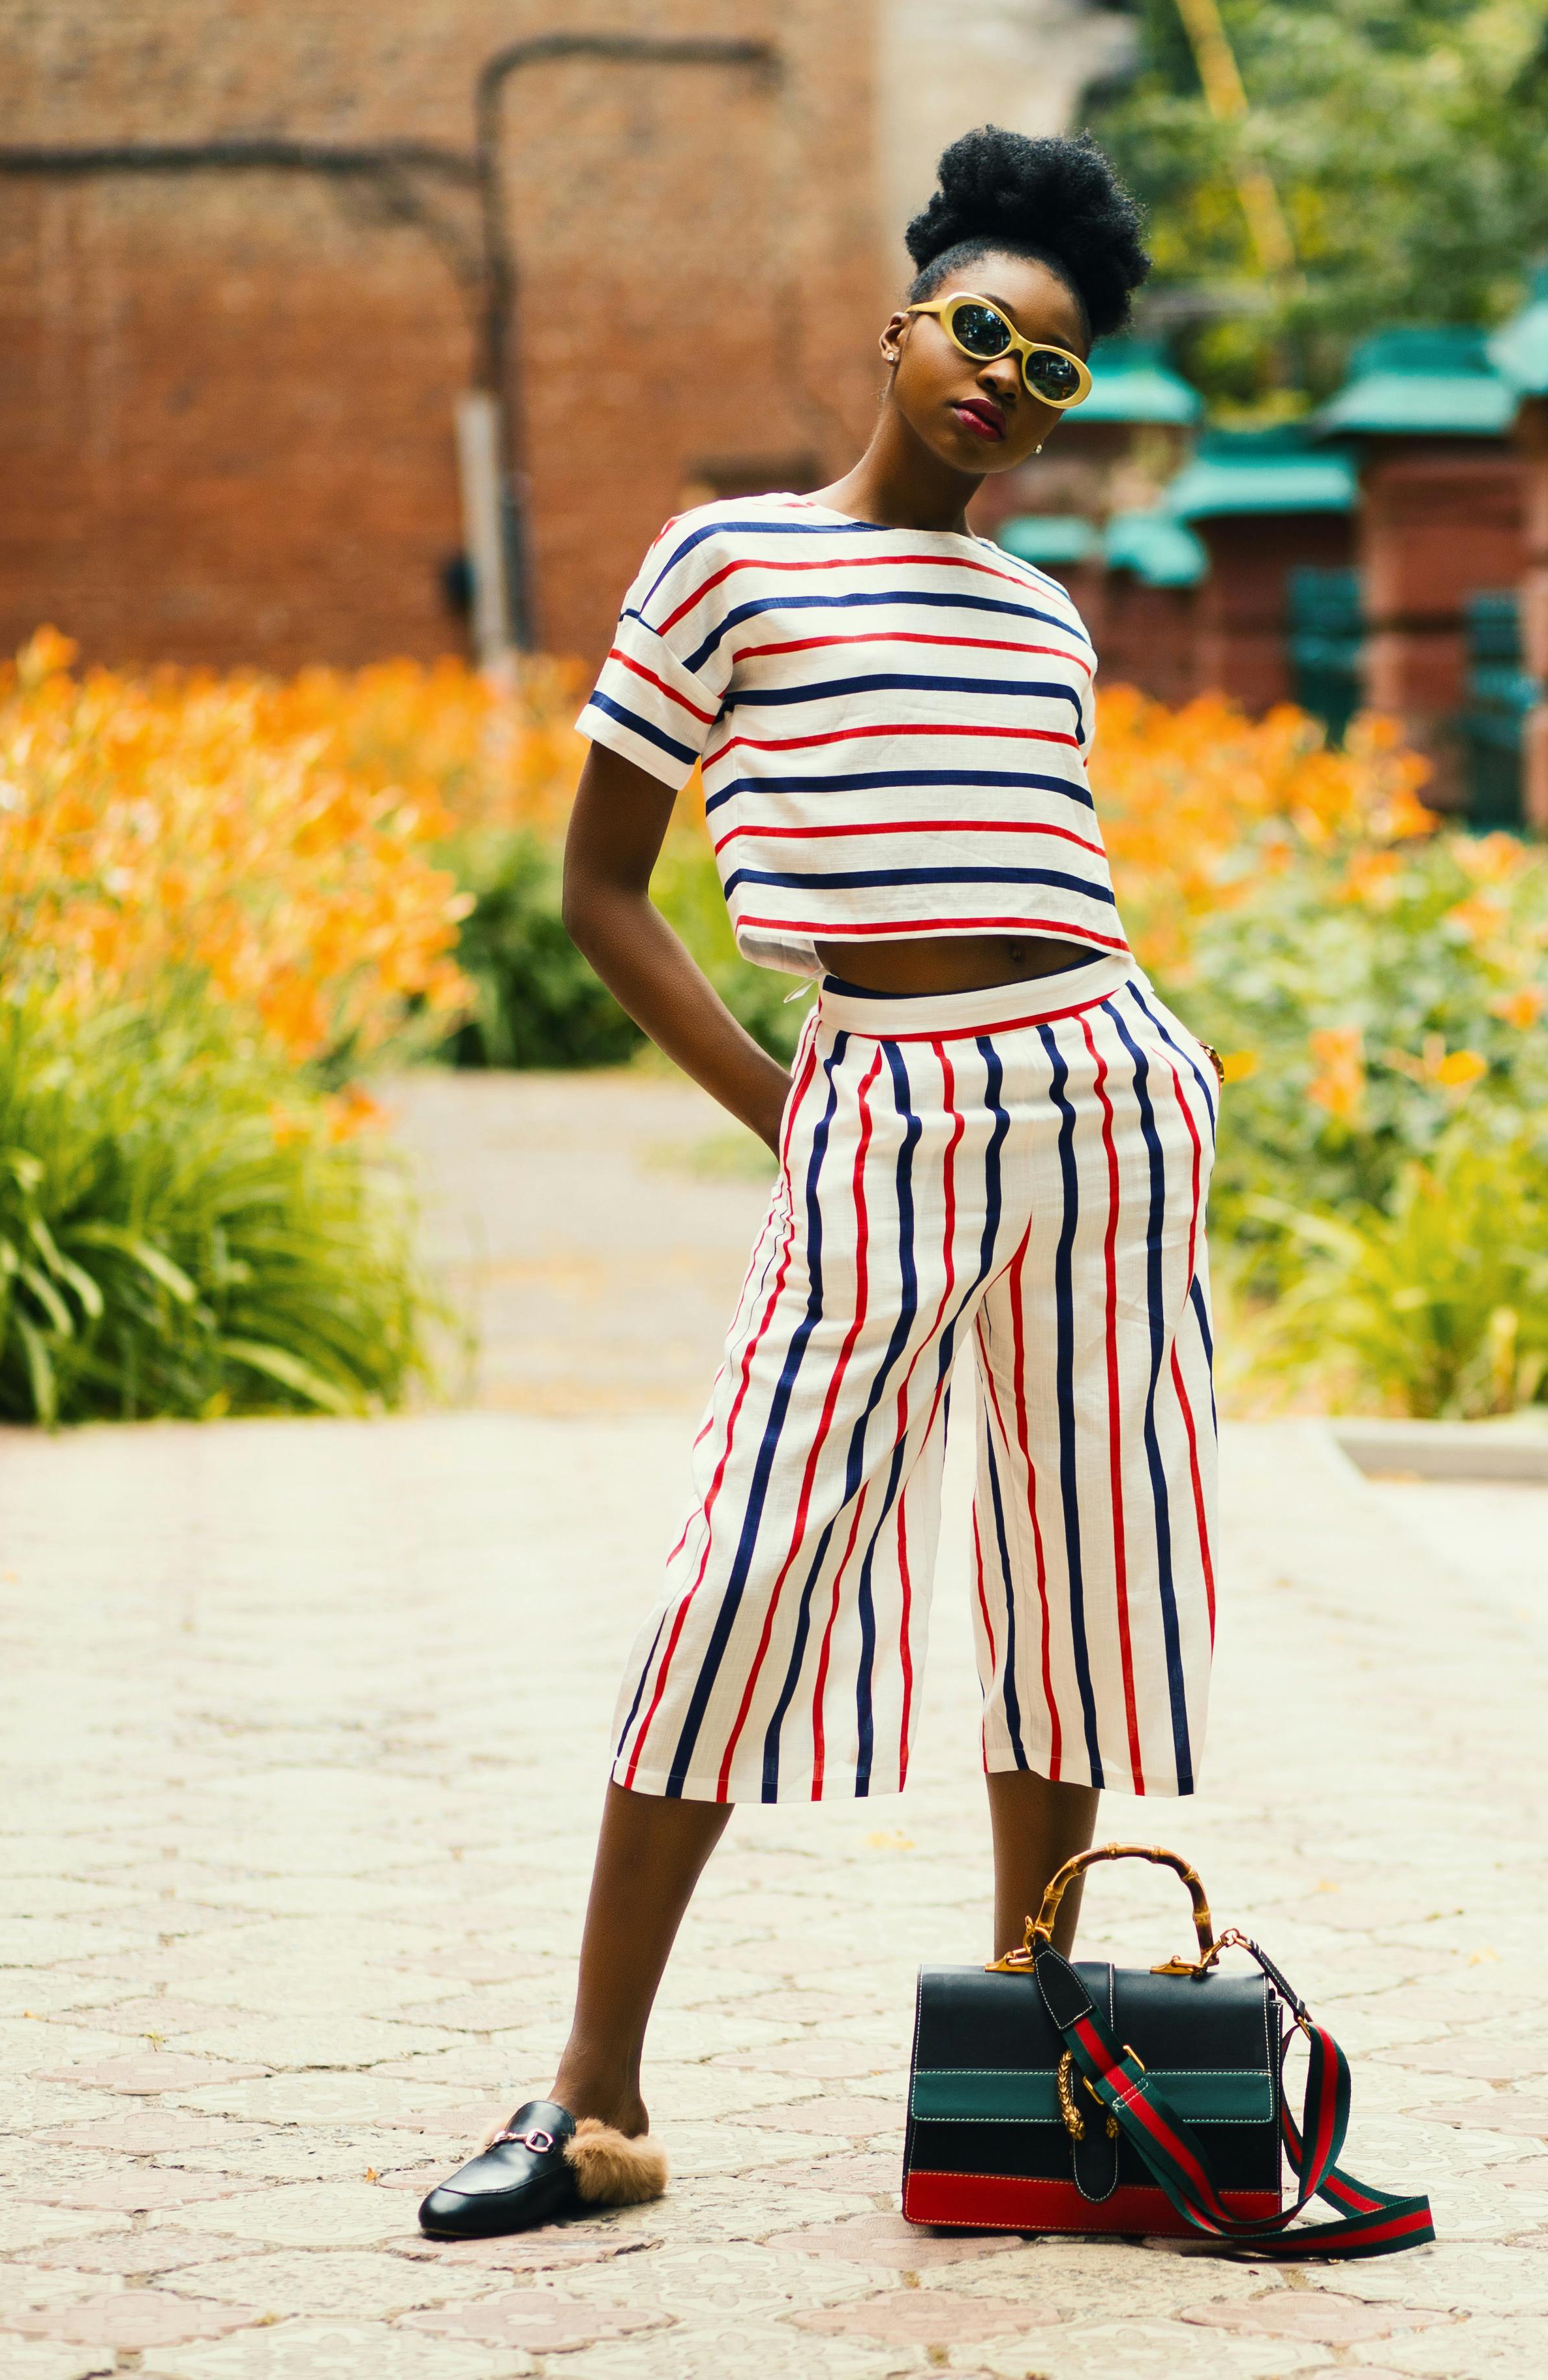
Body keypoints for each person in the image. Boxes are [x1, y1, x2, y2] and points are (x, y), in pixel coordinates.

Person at [420, 127, 1222, 2240]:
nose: (1003, 387)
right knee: (744, 1563)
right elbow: (602, 891)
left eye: (1053, 374)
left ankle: (1041, 2066)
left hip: (1110, 1110)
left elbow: (1044, 880)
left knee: (1079, 1590)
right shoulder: (730, 562)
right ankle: (593, 2100)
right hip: (873, 1110)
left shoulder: (1044, 618)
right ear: (903, 323)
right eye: (982, 334)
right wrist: (782, 1103)